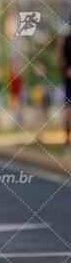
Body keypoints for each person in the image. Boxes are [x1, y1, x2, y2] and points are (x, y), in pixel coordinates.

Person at [57, 14, 71, 156]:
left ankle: (67, 143)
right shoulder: (65, 40)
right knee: (68, 113)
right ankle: (67, 142)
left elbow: (60, 61)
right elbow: (60, 61)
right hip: (68, 82)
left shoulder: (64, 40)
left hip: (67, 80)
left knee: (68, 112)